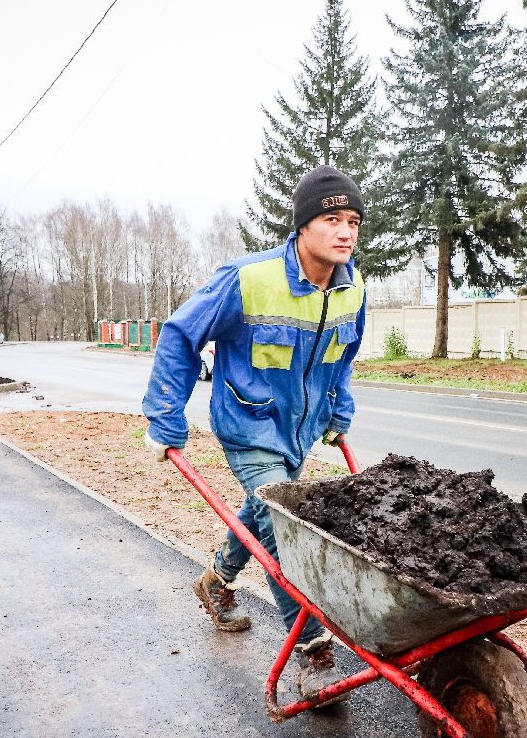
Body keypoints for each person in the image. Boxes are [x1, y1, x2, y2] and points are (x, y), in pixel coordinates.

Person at [142, 165, 367, 704]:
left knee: (262, 508)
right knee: (283, 528)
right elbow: (179, 336)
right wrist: (166, 418)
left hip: (299, 430)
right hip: (248, 424)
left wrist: (339, 411)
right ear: (303, 225)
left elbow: (343, 356)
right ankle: (314, 654)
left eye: (354, 221)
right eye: (332, 218)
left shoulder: (351, 287)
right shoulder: (247, 279)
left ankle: (215, 582)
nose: (345, 232)